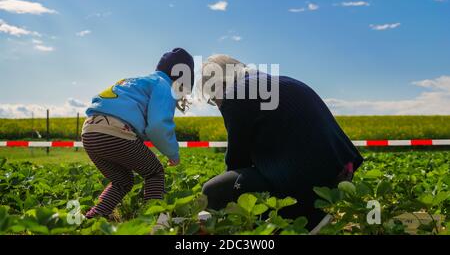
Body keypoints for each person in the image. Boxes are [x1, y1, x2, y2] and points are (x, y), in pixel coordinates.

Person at [199, 54, 364, 230]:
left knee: (213, 191)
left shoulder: (235, 95)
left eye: (211, 97)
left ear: (219, 85)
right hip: (341, 173)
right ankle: (313, 212)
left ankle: (306, 219)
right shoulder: (282, 81)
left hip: (306, 185)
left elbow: (236, 161)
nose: (215, 104)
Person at [81, 48, 194, 219]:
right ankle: (152, 219)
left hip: (90, 132)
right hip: (115, 132)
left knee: (122, 181)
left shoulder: (136, 81)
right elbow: (158, 125)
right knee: (154, 172)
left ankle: (94, 217)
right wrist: (172, 153)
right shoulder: (164, 86)